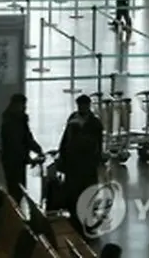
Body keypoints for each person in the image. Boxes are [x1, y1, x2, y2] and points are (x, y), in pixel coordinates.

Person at [57, 95, 103, 235]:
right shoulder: (75, 121)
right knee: (74, 194)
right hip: (74, 164)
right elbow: (65, 140)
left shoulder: (94, 123)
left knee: (88, 193)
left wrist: (97, 160)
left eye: (84, 105)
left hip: (87, 165)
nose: (82, 108)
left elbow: (98, 144)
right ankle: (76, 222)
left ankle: (87, 223)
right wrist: (62, 157)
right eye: (80, 105)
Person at [0, 93, 43, 204]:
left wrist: (36, 149)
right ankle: (15, 213)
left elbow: (26, 137)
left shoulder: (17, 119)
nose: (24, 107)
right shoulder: (12, 122)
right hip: (13, 160)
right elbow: (17, 142)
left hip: (15, 160)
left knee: (17, 188)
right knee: (16, 188)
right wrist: (30, 155)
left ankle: (15, 211)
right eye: (22, 105)